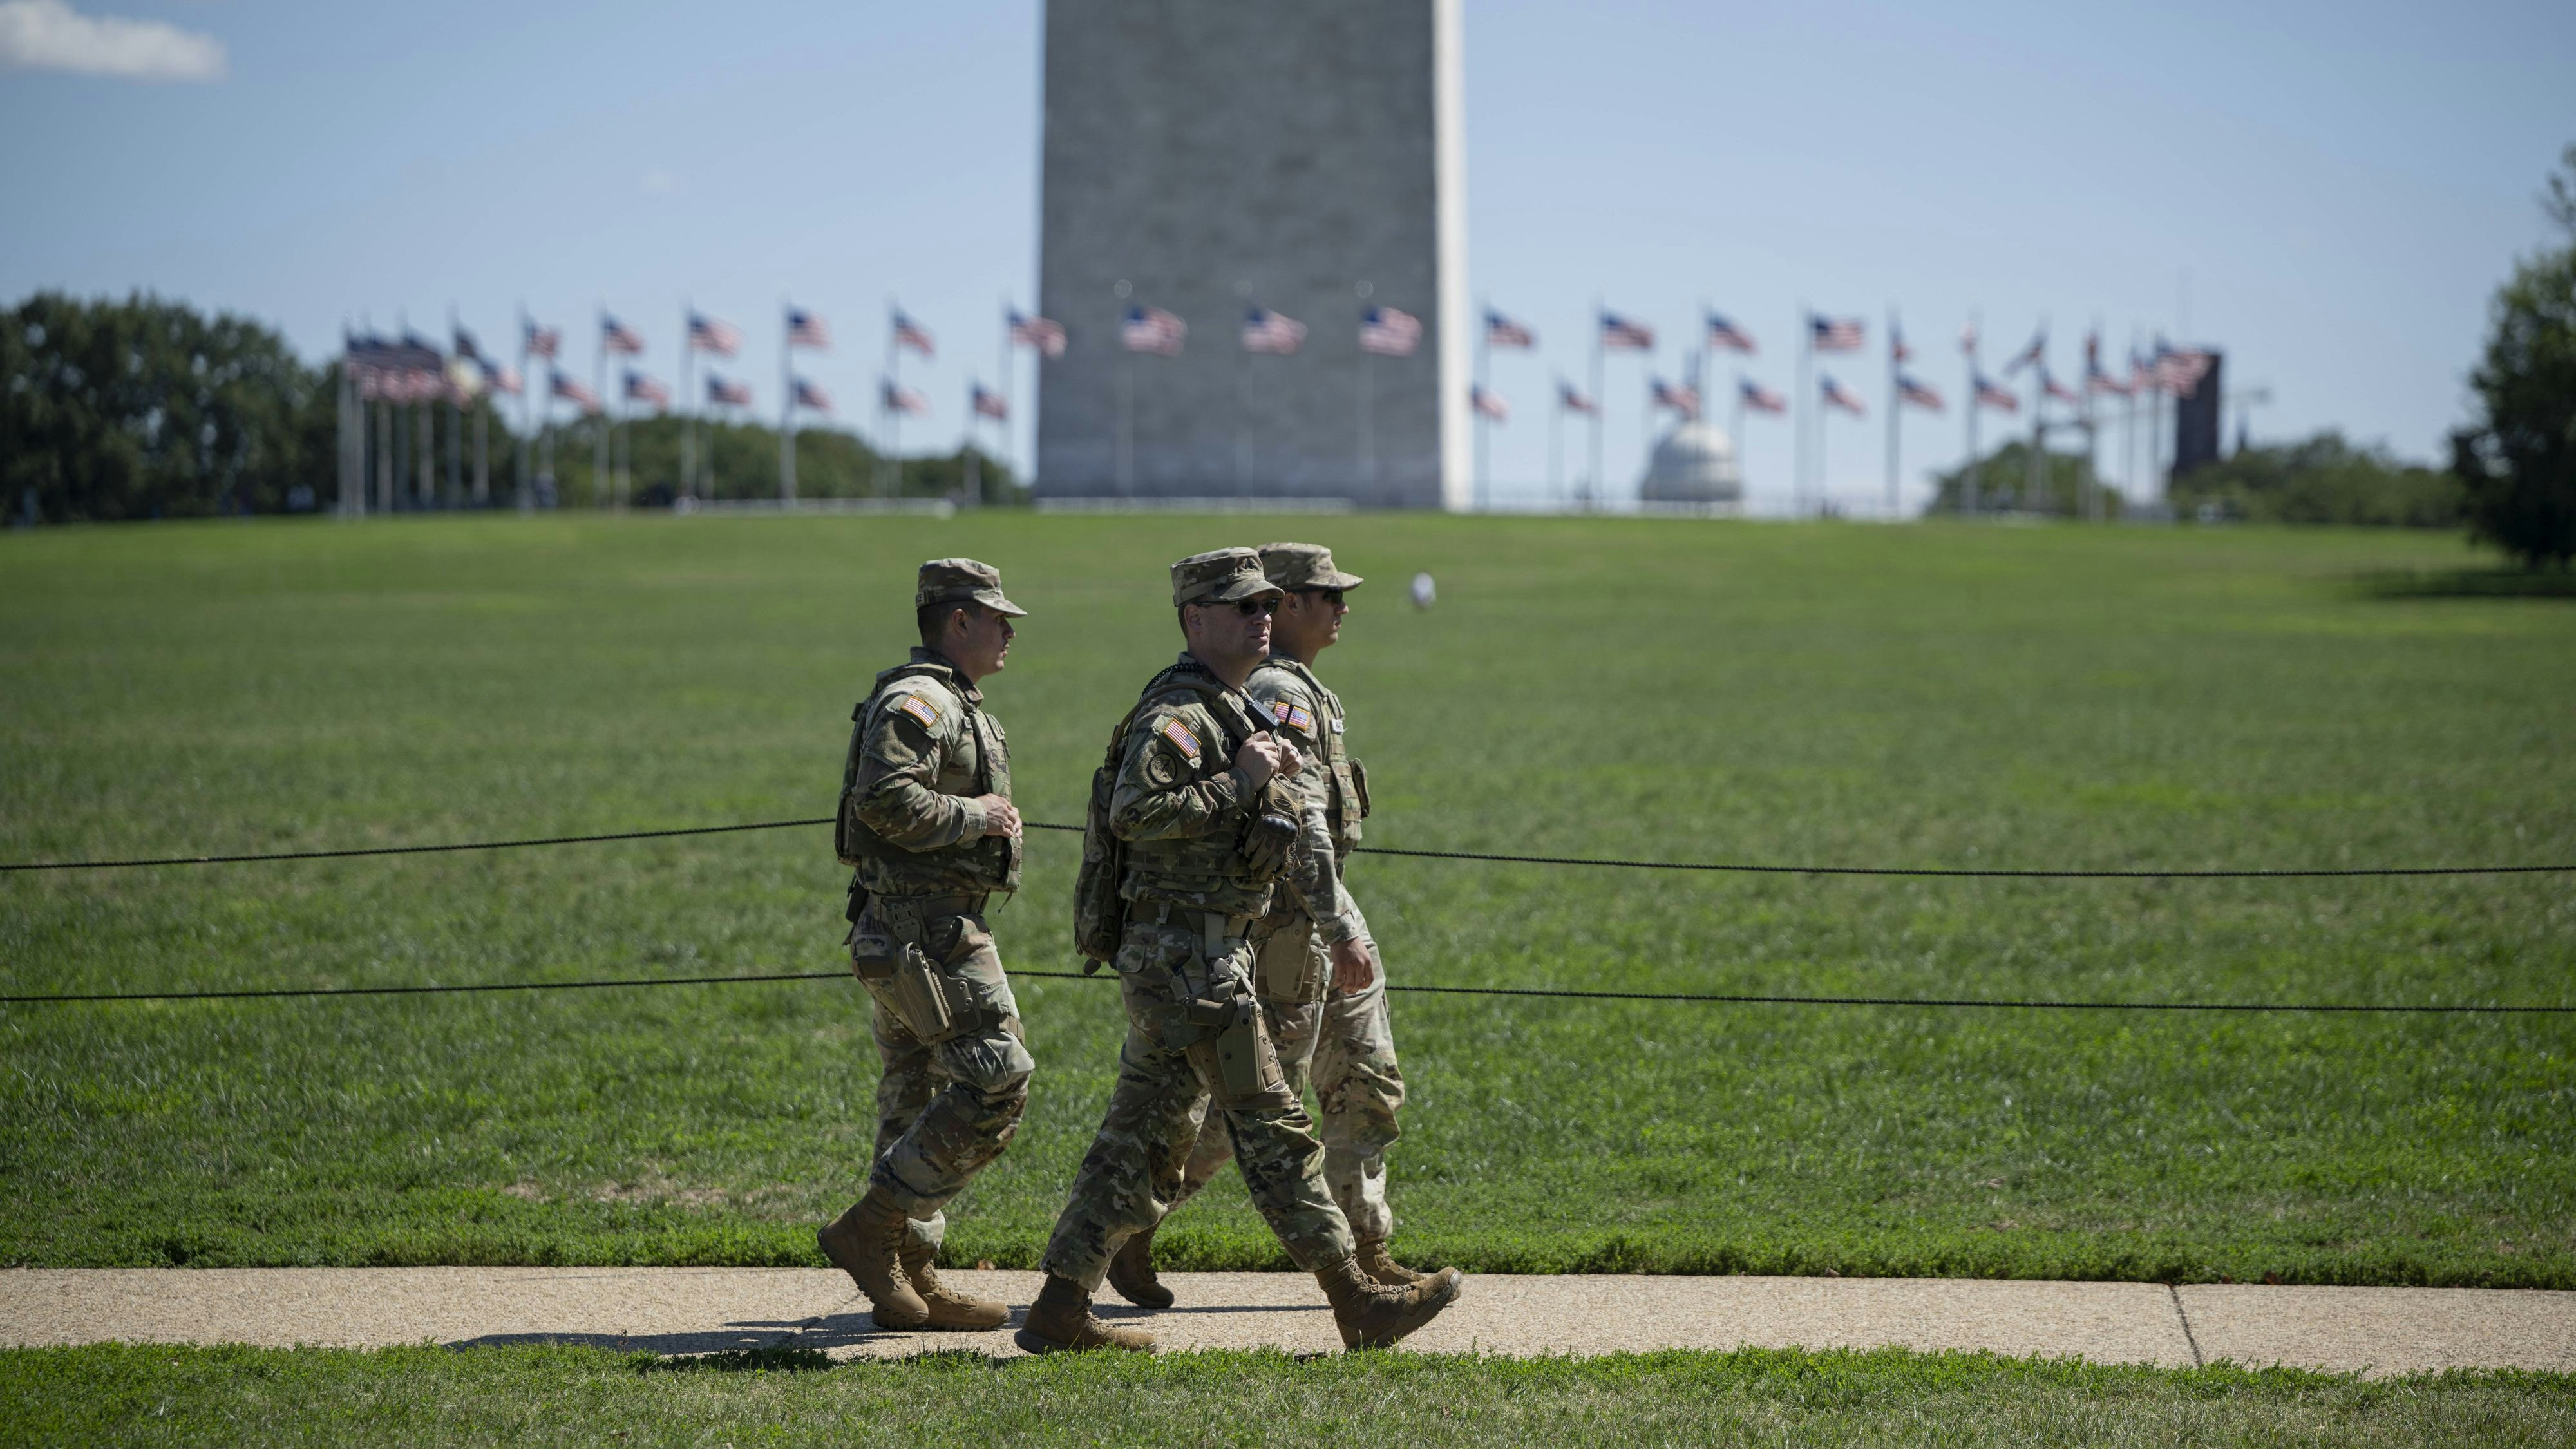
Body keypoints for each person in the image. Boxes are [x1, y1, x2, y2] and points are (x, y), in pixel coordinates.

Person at [1016, 547, 1465, 1355]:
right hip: (1189, 961)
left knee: (1136, 1141)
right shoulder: (1180, 716)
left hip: (1194, 959)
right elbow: (1134, 811)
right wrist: (1241, 782)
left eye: (1266, 606)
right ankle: (1355, 1301)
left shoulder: (1229, 710)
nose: (1262, 619)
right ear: (1195, 620)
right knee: (1273, 1127)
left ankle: (1059, 1308)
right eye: (1241, 608)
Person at [816, 558, 1031, 1332]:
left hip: (911, 930)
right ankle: (870, 1230)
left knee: (911, 1097)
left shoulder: (948, 697)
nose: (1009, 629)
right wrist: (978, 816)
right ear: (957, 621)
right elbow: (882, 797)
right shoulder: (921, 699)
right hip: (924, 934)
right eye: (995, 616)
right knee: (998, 1084)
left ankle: (909, 1278)